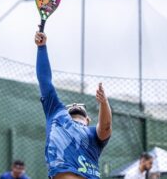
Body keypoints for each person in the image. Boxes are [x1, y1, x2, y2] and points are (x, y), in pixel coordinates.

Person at [35, 32, 112, 179]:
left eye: (80, 106)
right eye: (71, 106)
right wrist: (41, 48)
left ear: (88, 119)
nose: (76, 105)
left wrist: (104, 102)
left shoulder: (92, 134)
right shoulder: (55, 111)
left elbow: (106, 127)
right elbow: (45, 81)